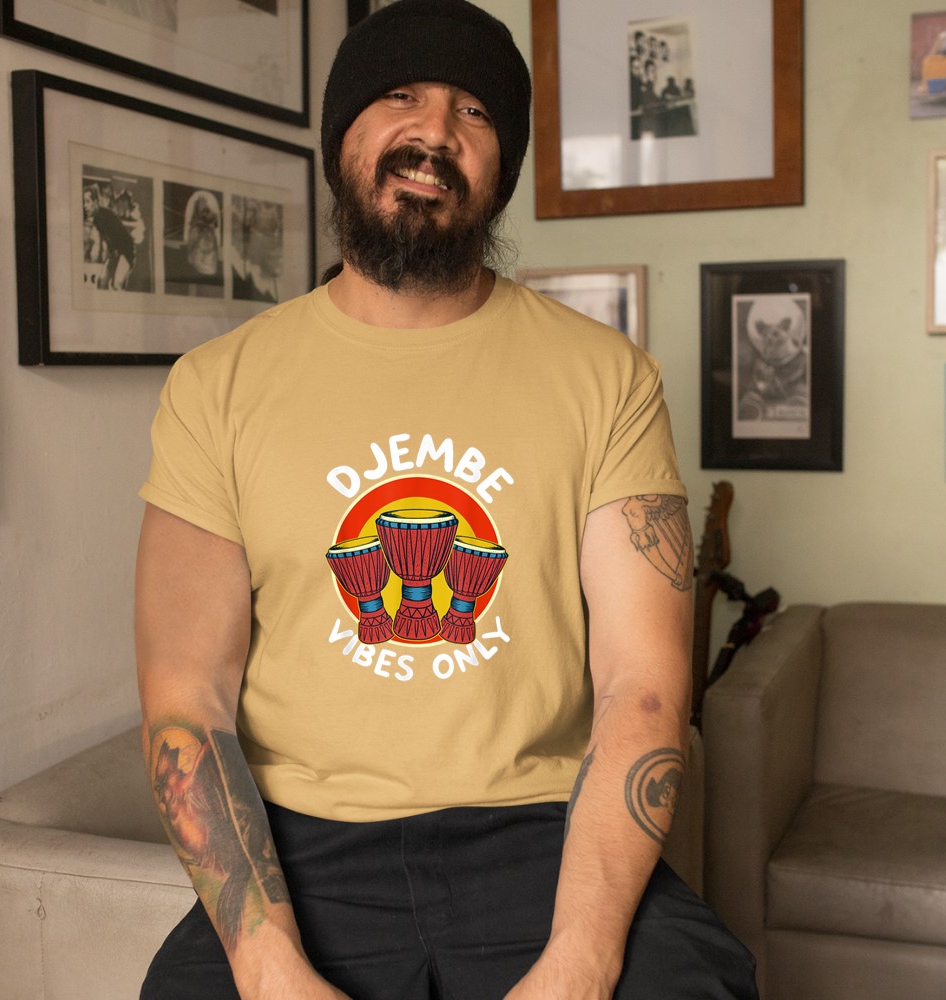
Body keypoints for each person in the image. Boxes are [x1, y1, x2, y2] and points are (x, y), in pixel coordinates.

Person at [134, 2, 758, 998]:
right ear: (341, 138)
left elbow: (642, 684)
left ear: (500, 169)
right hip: (303, 844)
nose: (434, 132)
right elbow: (186, 698)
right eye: (399, 97)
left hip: (541, 830)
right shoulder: (216, 386)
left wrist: (581, 961)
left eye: (473, 111)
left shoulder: (608, 377)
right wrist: (267, 966)